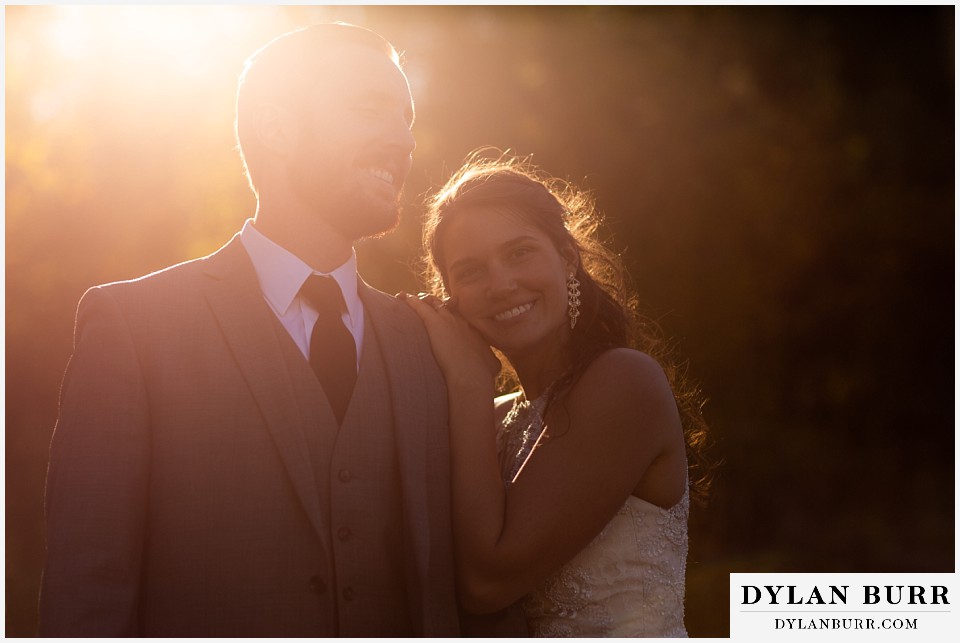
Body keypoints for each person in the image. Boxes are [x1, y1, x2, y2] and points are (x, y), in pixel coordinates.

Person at [39, 23, 516, 637]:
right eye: (373, 109)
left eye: (407, 119)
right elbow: (86, 597)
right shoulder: (133, 329)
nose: (401, 140)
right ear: (277, 127)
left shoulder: (434, 341)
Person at [404, 153, 712, 637]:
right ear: (450, 298)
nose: (502, 284)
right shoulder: (491, 419)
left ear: (567, 256)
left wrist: (467, 378)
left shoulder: (625, 381)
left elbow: (487, 583)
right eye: (470, 271)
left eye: (520, 253)